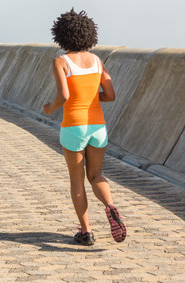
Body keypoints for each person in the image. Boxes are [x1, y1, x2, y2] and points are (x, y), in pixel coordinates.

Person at [43, 8, 126, 246]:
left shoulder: (61, 61)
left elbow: (64, 96)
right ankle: (110, 206)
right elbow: (110, 95)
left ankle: (86, 232)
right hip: (98, 127)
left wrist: (49, 107)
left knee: (77, 181)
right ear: (90, 35)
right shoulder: (98, 61)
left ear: (60, 35)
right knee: (96, 175)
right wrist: (91, 96)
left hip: (74, 127)